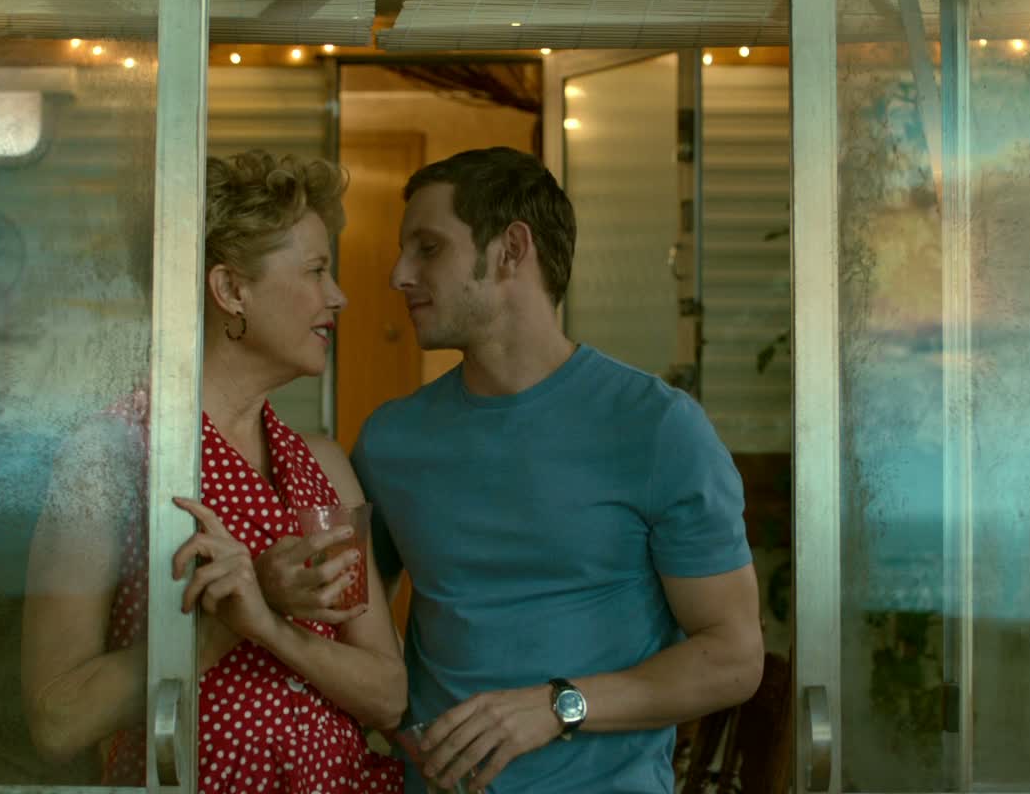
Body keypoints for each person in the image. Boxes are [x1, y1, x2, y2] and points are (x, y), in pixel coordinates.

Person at [257, 147, 764, 793]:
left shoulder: (658, 429)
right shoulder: (390, 439)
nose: (398, 275)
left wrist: (558, 706)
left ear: (510, 250)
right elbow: (348, 630)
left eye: (428, 248)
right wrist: (279, 588)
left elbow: (733, 657)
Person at [21, 149, 405, 793]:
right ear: (229, 291)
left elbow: (389, 697)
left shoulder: (324, 466)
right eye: (315, 270)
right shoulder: (110, 453)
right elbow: (57, 721)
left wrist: (266, 622)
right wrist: (223, 622)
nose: (337, 296)